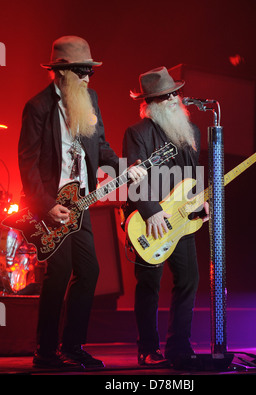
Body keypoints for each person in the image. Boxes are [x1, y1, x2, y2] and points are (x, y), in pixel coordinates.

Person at [18, 36, 146, 369]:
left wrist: (121, 167)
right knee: (58, 273)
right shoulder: (38, 107)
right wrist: (46, 204)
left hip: (80, 203)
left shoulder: (90, 99)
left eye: (90, 70)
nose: (88, 77)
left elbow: (99, 145)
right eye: (81, 71)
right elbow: (27, 162)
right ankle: (45, 352)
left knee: (89, 271)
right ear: (60, 73)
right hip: (52, 205)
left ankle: (71, 348)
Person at [122, 66, 209, 366]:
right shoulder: (138, 133)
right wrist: (150, 211)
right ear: (150, 103)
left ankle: (178, 346)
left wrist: (200, 201)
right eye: (165, 96)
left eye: (175, 93)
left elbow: (192, 175)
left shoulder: (192, 131)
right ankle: (147, 348)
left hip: (181, 218)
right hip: (150, 220)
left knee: (188, 279)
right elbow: (133, 178)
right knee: (149, 283)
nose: (174, 99)